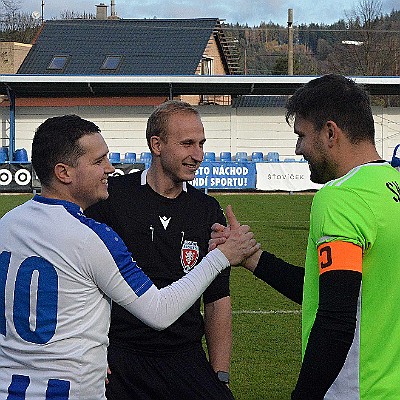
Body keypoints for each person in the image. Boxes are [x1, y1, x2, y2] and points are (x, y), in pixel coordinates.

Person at [0, 114, 259, 399]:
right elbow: (159, 311)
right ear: (64, 173)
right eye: (99, 162)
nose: (109, 169)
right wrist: (223, 256)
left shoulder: (7, 224)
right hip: (78, 386)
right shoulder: (93, 235)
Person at [211, 74, 400, 399]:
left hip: (355, 392)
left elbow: (335, 320)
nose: (298, 148)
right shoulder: (391, 185)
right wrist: (254, 259)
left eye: (301, 135)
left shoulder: (342, 197)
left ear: (330, 132)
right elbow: (328, 291)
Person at [85, 100, 235, 400]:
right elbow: (82, 288)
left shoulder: (207, 210)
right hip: (122, 357)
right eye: (187, 144)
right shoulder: (112, 200)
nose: (198, 155)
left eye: (201, 144)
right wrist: (90, 355)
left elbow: (217, 299)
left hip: (185, 356)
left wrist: (220, 374)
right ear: (157, 144)